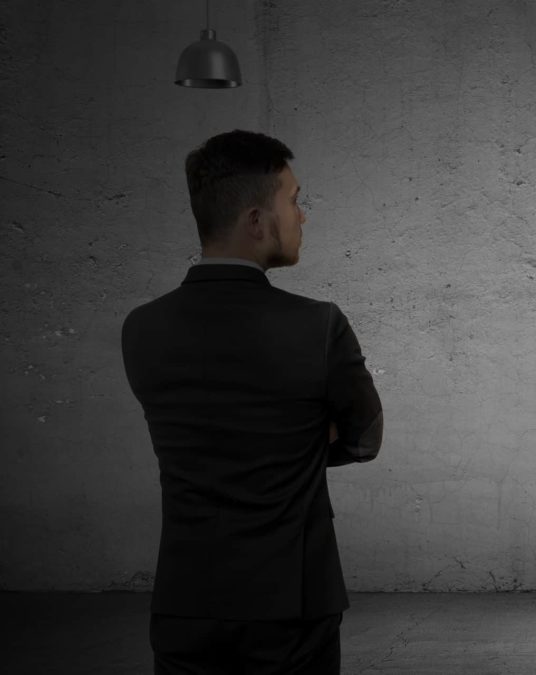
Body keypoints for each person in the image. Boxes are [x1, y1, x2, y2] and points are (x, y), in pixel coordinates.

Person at [121, 129, 384, 674]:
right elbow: (365, 438)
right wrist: (309, 438)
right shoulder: (319, 326)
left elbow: (202, 434)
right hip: (291, 606)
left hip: (184, 604)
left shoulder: (142, 329)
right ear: (256, 222)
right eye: (293, 200)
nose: (302, 217)